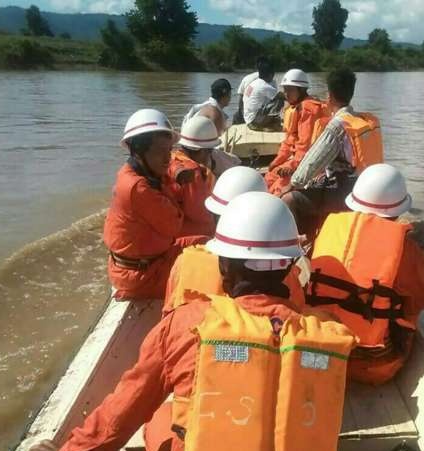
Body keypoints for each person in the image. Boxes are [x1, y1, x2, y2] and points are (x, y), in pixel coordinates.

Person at [26, 192, 356, 451]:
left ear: (224, 267)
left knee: (160, 419)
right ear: (288, 266)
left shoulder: (186, 323)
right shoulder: (325, 332)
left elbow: (127, 405)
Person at [306, 164, 424, 386]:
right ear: (398, 210)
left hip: (313, 354)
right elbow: (418, 300)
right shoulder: (406, 248)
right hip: (368, 366)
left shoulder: (328, 228)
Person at [163, 166, 306, 313]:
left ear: (215, 216)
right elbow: (297, 311)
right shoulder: (285, 271)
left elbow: (168, 315)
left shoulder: (187, 261)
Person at [104, 109, 207, 300]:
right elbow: (175, 224)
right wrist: (174, 182)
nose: (168, 158)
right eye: (160, 151)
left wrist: (174, 171)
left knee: (207, 241)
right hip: (142, 276)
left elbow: (170, 165)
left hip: (150, 260)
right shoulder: (139, 188)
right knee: (209, 273)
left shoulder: (136, 172)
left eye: (168, 150)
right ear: (139, 152)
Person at [280, 68, 384, 239]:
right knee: (317, 184)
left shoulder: (338, 126)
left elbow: (310, 164)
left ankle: (303, 244)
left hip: (348, 193)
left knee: (289, 199)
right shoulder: (367, 121)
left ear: (330, 95)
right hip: (370, 188)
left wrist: (290, 185)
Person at [264, 69, 327, 195]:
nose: (286, 94)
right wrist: (276, 162)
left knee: (277, 188)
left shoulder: (308, 111)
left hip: (309, 164)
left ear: (301, 90)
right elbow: (289, 141)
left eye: (290, 90)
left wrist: (290, 166)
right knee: (268, 178)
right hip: (298, 160)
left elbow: (305, 148)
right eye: (285, 89)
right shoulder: (297, 108)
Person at [167, 115, 220, 237]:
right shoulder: (193, 172)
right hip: (189, 236)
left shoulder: (171, 158)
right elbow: (201, 216)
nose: (210, 156)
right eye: (210, 151)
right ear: (201, 150)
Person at [242, 58, 285, 131]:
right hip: (254, 122)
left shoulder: (253, 83)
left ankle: (268, 121)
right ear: (271, 74)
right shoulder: (264, 86)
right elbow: (284, 96)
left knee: (271, 100)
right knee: (279, 100)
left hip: (248, 119)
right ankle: (264, 124)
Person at [234, 56, 276, 125]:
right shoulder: (268, 84)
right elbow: (279, 97)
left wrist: (241, 114)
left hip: (246, 115)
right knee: (279, 100)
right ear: (271, 74)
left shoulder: (250, 81)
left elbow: (241, 97)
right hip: (255, 118)